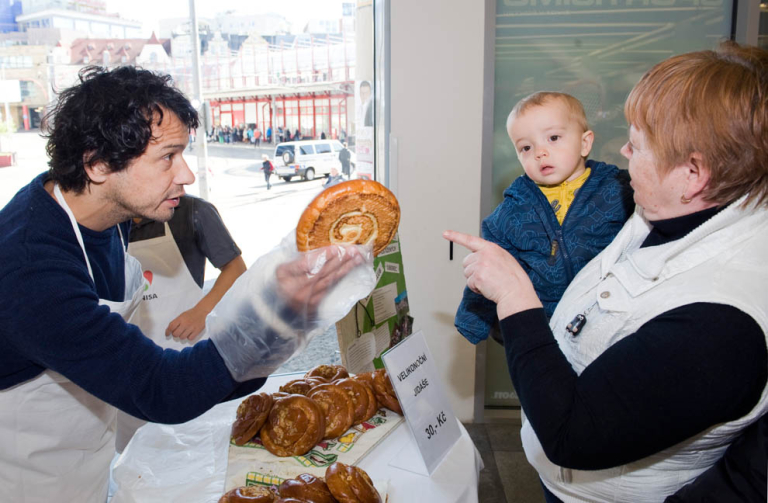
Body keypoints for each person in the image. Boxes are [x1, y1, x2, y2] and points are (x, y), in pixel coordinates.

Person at [0, 66, 368, 502]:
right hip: (28, 476)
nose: (187, 176)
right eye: (168, 157)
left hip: (90, 456)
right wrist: (274, 312)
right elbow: (162, 389)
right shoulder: (29, 267)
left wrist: (272, 322)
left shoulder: (105, 213)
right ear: (97, 163)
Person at [445, 41, 768, 502]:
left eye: (636, 146)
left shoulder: (720, 326)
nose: (622, 152)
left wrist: (515, 296)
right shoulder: (660, 209)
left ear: (693, 174)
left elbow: (574, 434)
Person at [454, 92, 634, 344]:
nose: (540, 152)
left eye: (553, 138)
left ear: (585, 143)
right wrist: (472, 321)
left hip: (611, 323)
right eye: (526, 147)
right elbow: (493, 265)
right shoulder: (513, 210)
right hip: (547, 328)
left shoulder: (619, 189)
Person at [118, 195, 247, 451]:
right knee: (137, 457)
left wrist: (202, 310)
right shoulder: (110, 218)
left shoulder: (193, 212)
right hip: (130, 359)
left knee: (192, 449)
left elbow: (236, 268)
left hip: (183, 349)